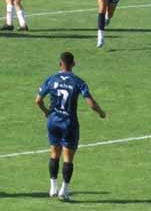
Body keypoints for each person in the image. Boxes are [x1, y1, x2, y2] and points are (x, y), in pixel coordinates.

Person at [35, 51, 106, 201]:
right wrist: (101, 112)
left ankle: (53, 187)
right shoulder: (78, 82)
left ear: (60, 64)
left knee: (54, 153)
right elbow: (91, 103)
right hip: (69, 123)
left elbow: (38, 100)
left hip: (53, 121)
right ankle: (64, 190)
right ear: (73, 64)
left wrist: (46, 112)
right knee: (68, 157)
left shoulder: (52, 79)